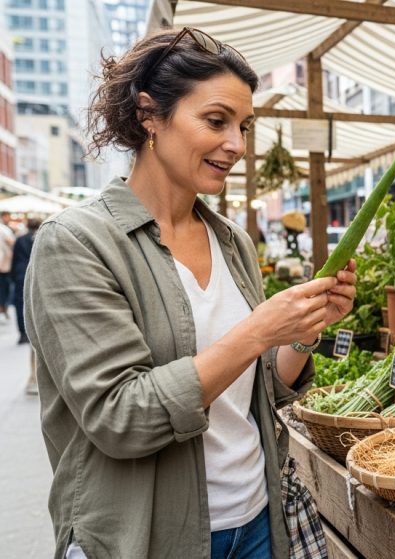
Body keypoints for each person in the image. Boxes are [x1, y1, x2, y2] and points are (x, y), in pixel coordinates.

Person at [24, 28, 356, 559]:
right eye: (216, 121)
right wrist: (257, 330)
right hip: (147, 538)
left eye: (244, 127)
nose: (238, 145)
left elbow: (256, 388)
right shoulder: (77, 244)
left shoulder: (233, 242)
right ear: (148, 115)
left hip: (256, 521)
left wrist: (301, 331)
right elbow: (120, 417)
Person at [12, 217, 38, 345]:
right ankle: (35, 331)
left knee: (20, 303)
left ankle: (23, 333)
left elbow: (15, 257)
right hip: (37, 272)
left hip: (20, 273)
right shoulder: (41, 238)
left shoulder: (20, 239)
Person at [0, 211, 14, 319]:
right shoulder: (4, 229)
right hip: (3, 264)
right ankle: (3, 307)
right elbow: (11, 242)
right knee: (4, 287)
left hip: (3, 264)